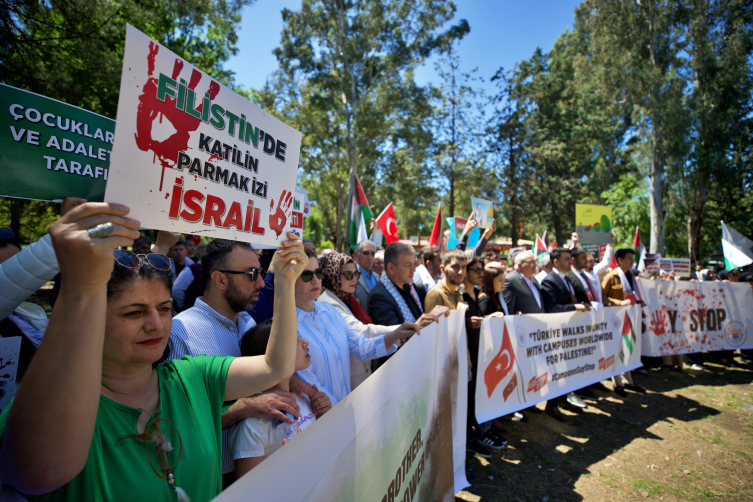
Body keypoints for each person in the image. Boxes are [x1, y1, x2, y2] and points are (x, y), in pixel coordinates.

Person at [0, 202, 307, 501]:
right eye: (134, 313)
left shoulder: (193, 376)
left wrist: (284, 280)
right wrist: (80, 286)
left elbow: (276, 366)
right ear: (94, 321)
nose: (156, 324)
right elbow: (34, 474)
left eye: (164, 308)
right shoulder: (56, 406)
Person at [169, 238, 326, 482]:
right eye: (252, 274)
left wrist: (295, 382)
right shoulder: (181, 333)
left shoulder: (248, 322)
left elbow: (265, 375)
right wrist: (246, 407)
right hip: (215, 481)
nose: (262, 283)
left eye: (261, 273)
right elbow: (177, 423)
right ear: (220, 280)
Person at [295, 246, 420, 403]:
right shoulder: (287, 326)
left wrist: (397, 334)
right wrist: (337, 410)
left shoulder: (329, 310)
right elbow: (307, 381)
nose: (315, 280)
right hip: (321, 418)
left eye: (318, 273)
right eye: (306, 275)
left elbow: (361, 347)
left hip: (347, 407)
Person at [231, 320, 331, 479]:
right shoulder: (251, 426)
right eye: (295, 342)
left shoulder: (303, 396)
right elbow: (247, 492)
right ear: (274, 357)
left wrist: (323, 413)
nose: (306, 343)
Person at [317, 252, 401, 389]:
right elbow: (362, 331)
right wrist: (401, 330)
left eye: (356, 274)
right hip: (348, 381)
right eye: (348, 275)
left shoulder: (347, 298)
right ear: (331, 275)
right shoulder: (328, 303)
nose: (354, 279)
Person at [458, 255, 508, 455]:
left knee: (476, 397)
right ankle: (469, 439)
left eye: (482, 270)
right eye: (476, 270)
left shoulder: (476, 293)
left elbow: (477, 323)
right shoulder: (460, 296)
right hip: (466, 358)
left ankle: (478, 434)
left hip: (479, 356)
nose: (481, 274)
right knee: (467, 400)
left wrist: (488, 318)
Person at [540, 247, 590, 415]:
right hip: (557, 333)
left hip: (570, 332)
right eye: (567, 258)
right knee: (557, 370)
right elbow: (551, 308)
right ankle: (552, 405)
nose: (571, 261)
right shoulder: (550, 281)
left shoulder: (567, 279)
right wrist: (574, 307)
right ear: (556, 262)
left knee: (567, 369)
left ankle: (563, 398)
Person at [368, 242, 445, 328]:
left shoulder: (409, 288)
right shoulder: (379, 297)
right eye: (408, 265)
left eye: (414, 264)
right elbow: (393, 337)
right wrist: (427, 320)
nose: (413, 270)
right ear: (391, 268)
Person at [601, 248, 645, 395]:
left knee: (628, 348)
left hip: (630, 318)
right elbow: (603, 298)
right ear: (620, 260)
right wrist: (620, 303)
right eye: (629, 258)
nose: (633, 261)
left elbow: (633, 294)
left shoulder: (631, 276)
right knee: (615, 350)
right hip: (615, 320)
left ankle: (629, 381)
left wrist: (638, 301)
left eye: (633, 258)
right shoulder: (610, 277)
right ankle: (617, 382)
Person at [172, 240, 208, 312]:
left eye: (181, 249)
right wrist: (185, 305)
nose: (179, 252)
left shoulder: (216, 269)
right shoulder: (192, 269)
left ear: (185, 251)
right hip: (193, 312)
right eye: (175, 250)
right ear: (198, 255)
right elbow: (176, 290)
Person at [353, 240, 378, 310]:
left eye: (372, 253)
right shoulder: (351, 277)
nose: (370, 257)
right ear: (356, 254)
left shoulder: (377, 277)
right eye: (366, 253)